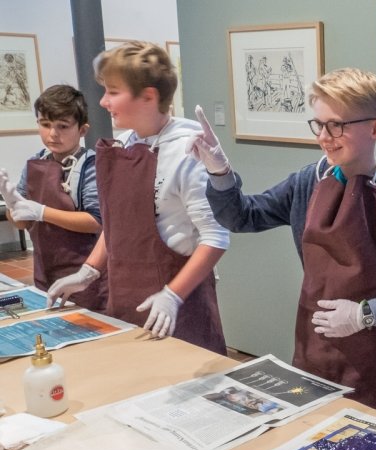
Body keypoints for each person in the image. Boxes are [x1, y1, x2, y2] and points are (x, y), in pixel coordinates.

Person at [187, 68, 376, 418]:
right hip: (312, 343)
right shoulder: (307, 182)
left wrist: (365, 314)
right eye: (319, 125)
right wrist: (219, 173)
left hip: (371, 353)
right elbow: (242, 217)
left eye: (337, 126)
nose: (324, 137)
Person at [46, 42, 229, 354]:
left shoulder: (189, 151)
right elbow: (119, 224)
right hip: (125, 296)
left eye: (113, 92)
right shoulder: (124, 145)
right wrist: (88, 272)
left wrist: (172, 295)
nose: (103, 101)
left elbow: (216, 238)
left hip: (179, 307)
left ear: (148, 96)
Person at [0, 85, 107, 311]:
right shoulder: (34, 164)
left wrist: (42, 212)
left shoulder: (91, 166)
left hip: (85, 276)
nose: (53, 134)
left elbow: (96, 221)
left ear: (82, 130)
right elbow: (22, 223)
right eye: (45, 124)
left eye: (63, 126)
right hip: (44, 271)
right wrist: (12, 205)